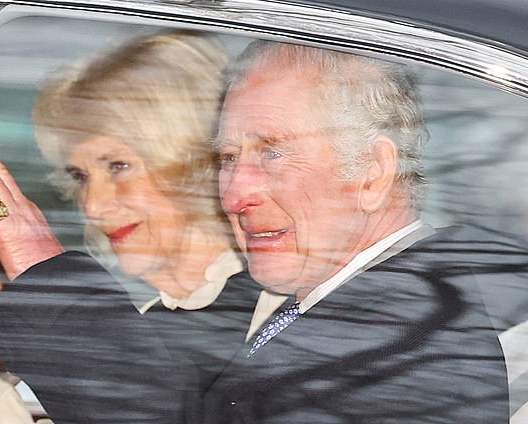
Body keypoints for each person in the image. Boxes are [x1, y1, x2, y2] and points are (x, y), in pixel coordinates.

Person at [200, 40, 511, 423]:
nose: (234, 196)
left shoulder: (391, 363)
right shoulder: (375, 314)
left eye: (272, 152)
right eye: (229, 157)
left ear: (374, 173)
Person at [0, 32, 270, 423]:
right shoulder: (145, 325)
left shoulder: (281, 311)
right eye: (80, 176)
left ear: (189, 161)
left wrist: (42, 271)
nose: (93, 206)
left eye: (118, 166)